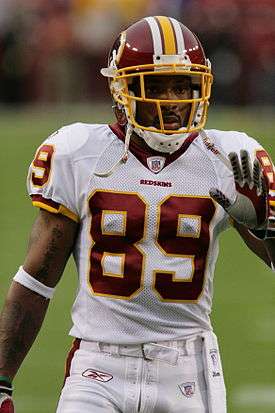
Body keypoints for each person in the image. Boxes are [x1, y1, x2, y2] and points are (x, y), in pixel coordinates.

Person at [0, 15, 275, 413]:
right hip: (98, 364)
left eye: (183, 86)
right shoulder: (80, 153)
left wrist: (267, 227)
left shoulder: (229, 159)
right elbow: (38, 277)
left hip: (188, 366)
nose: (173, 102)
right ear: (120, 89)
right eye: (157, 86)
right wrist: (3, 380)